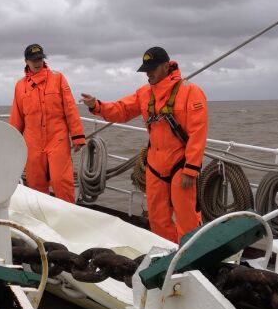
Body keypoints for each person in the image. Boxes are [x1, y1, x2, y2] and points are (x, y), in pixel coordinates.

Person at [80, 47, 208, 242]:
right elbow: (121, 110)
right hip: (155, 164)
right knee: (157, 217)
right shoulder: (145, 93)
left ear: (166, 66)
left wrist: (191, 169)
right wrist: (96, 106)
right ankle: (169, 252)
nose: (148, 73)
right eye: (146, 69)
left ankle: (190, 257)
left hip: (180, 164)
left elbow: (198, 133)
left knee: (187, 217)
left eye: (152, 68)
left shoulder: (190, 91)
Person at [9, 44, 86, 203]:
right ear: (26, 61)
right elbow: (17, 117)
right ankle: (41, 219)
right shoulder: (19, 86)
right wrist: (12, 143)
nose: (37, 63)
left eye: (40, 59)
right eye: (33, 60)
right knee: (36, 183)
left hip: (57, 138)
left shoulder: (57, 78)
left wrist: (77, 137)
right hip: (32, 142)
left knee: (60, 180)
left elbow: (70, 108)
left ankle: (67, 215)